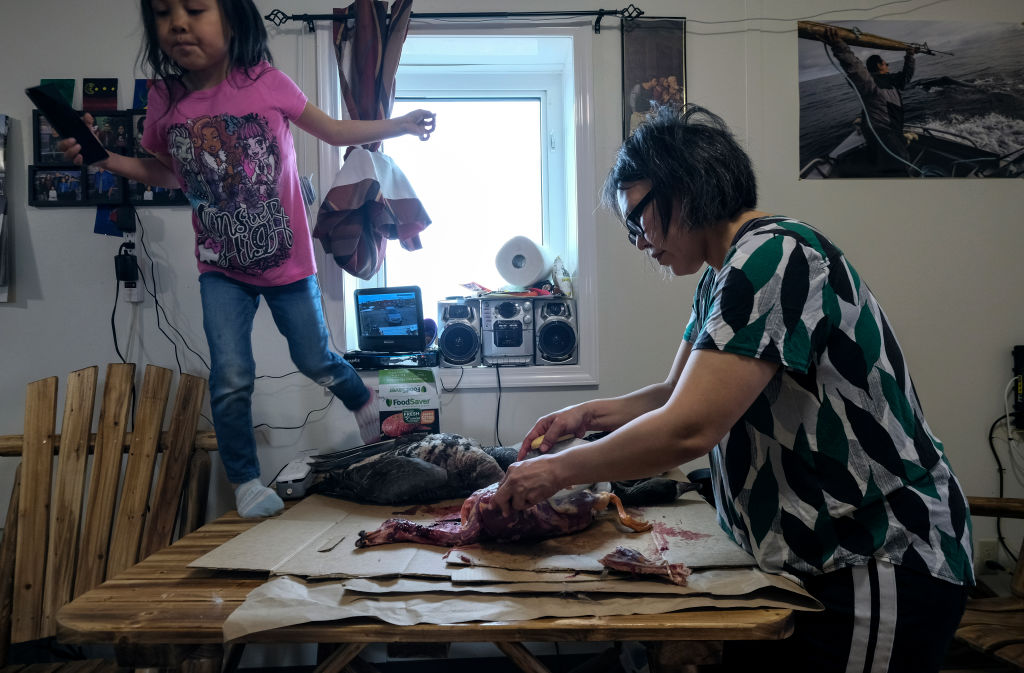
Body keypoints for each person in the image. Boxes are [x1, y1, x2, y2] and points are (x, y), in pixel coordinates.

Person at [491, 104, 973, 672]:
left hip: (879, 551)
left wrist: (557, 471)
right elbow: (676, 393)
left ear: (686, 189)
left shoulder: (772, 255)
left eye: (637, 218)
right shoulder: (724, 274)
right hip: (817, 555)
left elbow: (691, 427)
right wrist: (586, 415)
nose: (638, 241)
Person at [60, 0, 436, 519]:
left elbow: (333, 131)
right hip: (220, 267)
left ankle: (358, 395)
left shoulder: (265, 81)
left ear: (233, 19)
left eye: (195, 8)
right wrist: (104, 157)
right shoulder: (165, 100)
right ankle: (244, 480)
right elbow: (172, 173)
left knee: (314, 359)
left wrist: (400, 125)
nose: (178, 23)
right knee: (232, 375)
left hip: (287, 262)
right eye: (164, 13)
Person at [824, 26, 918, 176]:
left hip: (893, 129)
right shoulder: (870, 82)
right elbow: (855, 69)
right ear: (879, 66)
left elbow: (906, 76)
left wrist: (910, 56)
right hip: (882, 132)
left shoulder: (892, 80)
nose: (887, 66)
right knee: (900, 164)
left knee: (898, 156)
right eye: (886, 64)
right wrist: (838, 45)